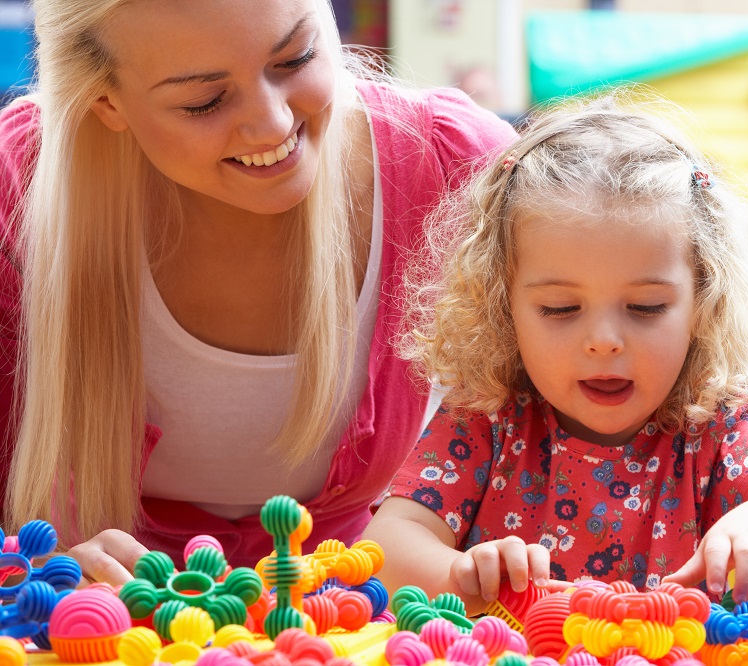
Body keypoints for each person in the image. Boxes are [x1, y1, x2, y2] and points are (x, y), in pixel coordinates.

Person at [0, 0, 517, 581]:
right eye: (205, 100)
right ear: (107, 102)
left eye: (296, 57)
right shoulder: (16, 194)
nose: (272, 125)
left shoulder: (453, 165)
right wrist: (29, 573)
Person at [363, 92, 748, 621]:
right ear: (501, 305)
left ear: (703, 301)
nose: (604, 340)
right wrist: (455, 575)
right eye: (560, 309)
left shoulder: (711, 426)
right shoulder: (487, 420)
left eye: (646, 307)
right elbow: (387, 544)